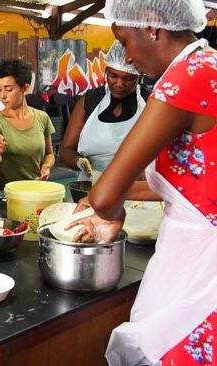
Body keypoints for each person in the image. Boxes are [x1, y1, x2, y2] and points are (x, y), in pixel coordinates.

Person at [68, 0, 217, 365]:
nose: (128, 58)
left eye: (125, 39)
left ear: (152, 25)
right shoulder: (211, 65)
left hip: (199, 264)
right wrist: (108, 197)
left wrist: (108, 210)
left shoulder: (186, 78)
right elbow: (196, 186)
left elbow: (105, 195)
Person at [59, 40, 148, 181]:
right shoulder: (90, 100)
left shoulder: (150, 102)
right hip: (92, 184)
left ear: (139, 77)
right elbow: (66, 150)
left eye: (128, 79)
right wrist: (80, 163)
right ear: (106, 72)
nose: (119, 84)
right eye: (114, 76)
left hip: (137, 188)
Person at [0, 58, 55, 188]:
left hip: (37, 189)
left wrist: (46, 166)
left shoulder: (42, 118)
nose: (3, 95)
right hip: (7, 193)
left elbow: (49, 154)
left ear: (25, 88)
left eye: (9, 89)